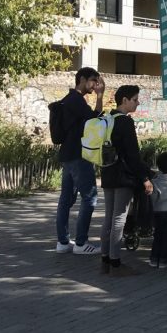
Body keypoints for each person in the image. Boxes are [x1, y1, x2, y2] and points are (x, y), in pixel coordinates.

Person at [99, 85, 154, 276]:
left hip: (107, 173)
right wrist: (145, 178)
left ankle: (105, 261)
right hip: (123, 176)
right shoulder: (125, 123)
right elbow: (133, 155)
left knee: (109, 218)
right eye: (135, 99)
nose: (138, 102)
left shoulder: (107, 119)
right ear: (125, 100)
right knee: (118, 219)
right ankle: (115, 264)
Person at [55, 67, 105, 255]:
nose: (95, 85)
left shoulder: (69, 99)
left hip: (68, 155)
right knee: (89, 197)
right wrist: (100, 97)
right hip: (78, 155)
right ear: (82, 79)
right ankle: (81, 243)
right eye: (93, 81)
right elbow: (95, 121)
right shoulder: (76, 100)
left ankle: (62, 242)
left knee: (65, 199)